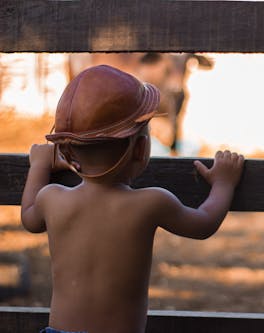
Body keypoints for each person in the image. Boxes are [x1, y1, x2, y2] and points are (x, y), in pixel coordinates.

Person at [21, 65, 244, 333]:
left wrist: (39, 166)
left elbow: (29, 219)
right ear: (140, 149)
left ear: (67, 151)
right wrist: (223, 183)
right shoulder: (150, 203)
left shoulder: (51, 198)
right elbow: (204, 223)